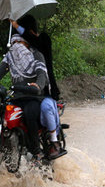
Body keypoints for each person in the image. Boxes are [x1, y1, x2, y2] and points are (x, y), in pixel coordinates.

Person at [0, 34, 47, 160]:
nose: (16, 44)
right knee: (1, 114)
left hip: (33, 97)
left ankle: (36, 151)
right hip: (16, 97)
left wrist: (38, 85)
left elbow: (42, 74)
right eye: (14, 41)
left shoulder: (36, 55)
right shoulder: (10, 57)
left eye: (19, 41)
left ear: (27, 43)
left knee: (29, 113)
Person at [11, 15, 66, 159]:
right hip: (27, 92)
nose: (19, 44)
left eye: (20, 40)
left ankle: (53, 143)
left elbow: (42, 74)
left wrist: (17, 26)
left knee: (41, 109)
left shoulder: (42, 43)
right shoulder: (20, 53)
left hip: (45, 90)